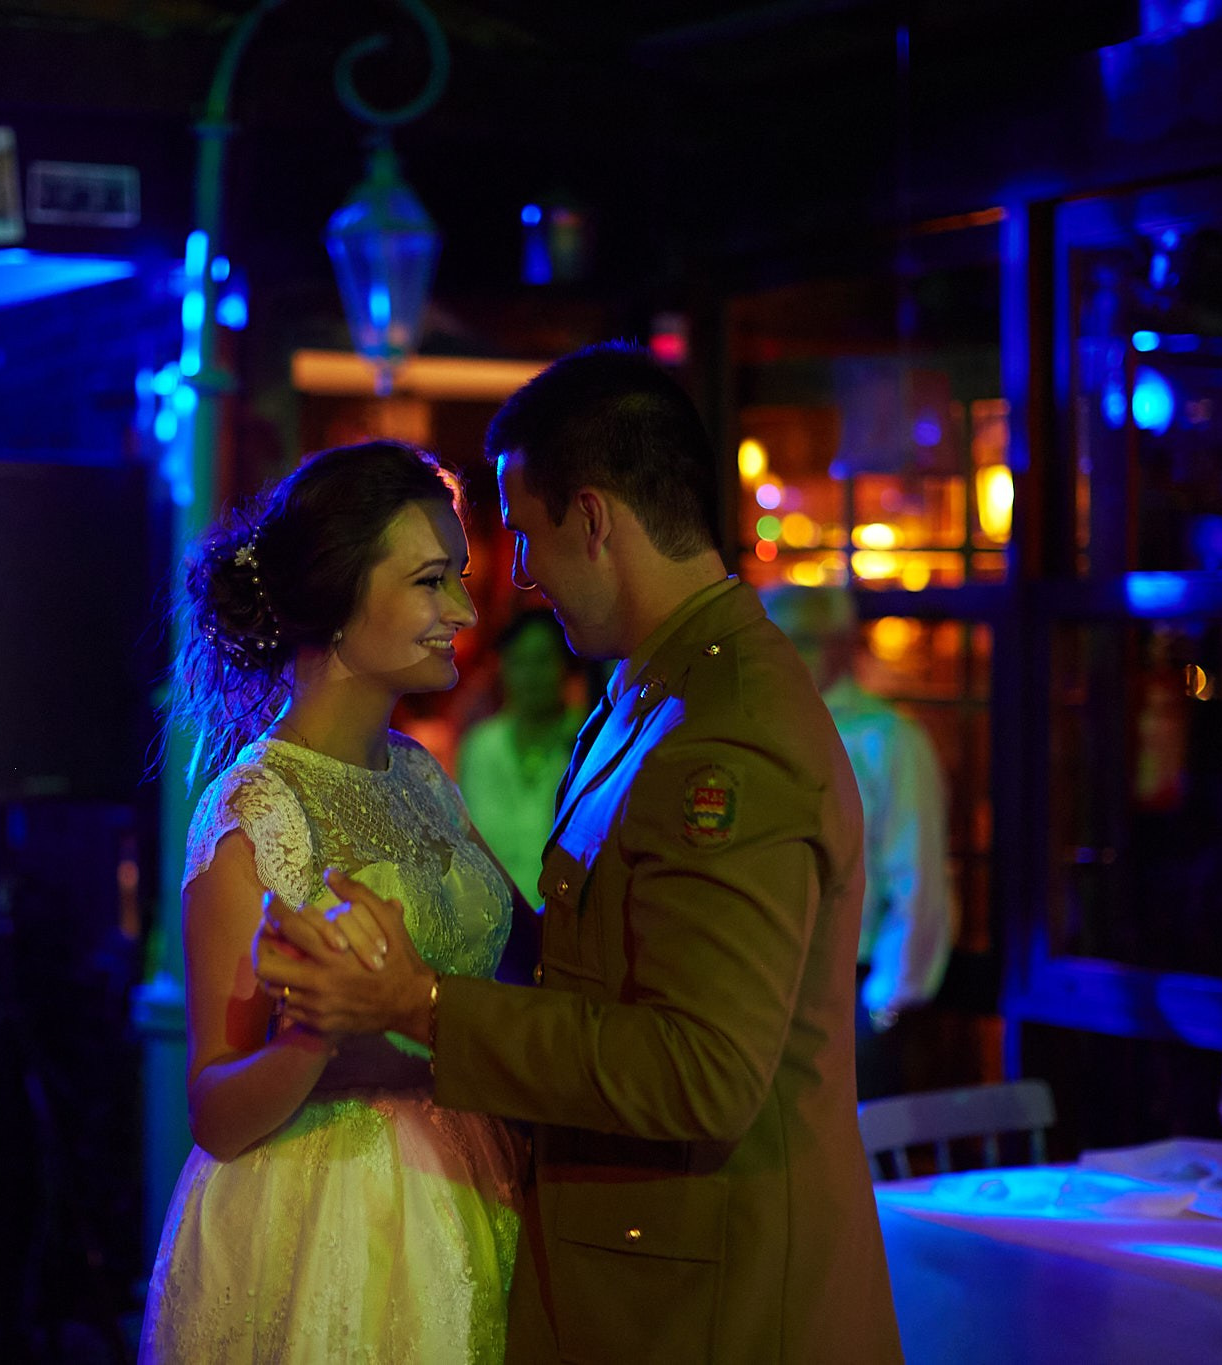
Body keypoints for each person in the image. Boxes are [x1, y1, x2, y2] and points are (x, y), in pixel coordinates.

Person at [257, 343, 902, 1362]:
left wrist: (418, 1006)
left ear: (592, 519)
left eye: (522, 535)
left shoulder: (724, 733)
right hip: (637, 1276)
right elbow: (597, 962)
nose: (513, 578)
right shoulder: (647, 690)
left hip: (708, 1307)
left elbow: (701, 1073)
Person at [140, 440, 525, 1363]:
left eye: (460, 579)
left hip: (474, 1179)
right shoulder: (258, 810)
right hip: (333, 1219)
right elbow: (215, 1107)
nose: (464, 612)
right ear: (339, 599)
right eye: (433, 581)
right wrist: (315, 1035)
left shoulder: (423, 774)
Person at [764, 583, 956, 1099]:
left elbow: (917, 880)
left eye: (802, 641)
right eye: (774, 640)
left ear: (842, 646)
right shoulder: (755, 730)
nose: (786, 655)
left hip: (847, 987)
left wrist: (886, 1003)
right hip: (761, 983)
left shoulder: (888, 740)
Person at [456, 610, 580, 904]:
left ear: (566, 665)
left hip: (563, 927)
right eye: (518, 661)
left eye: (542, 660)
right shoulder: (481, 746)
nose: (530, 675)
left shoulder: (586, 742)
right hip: (492, 924)